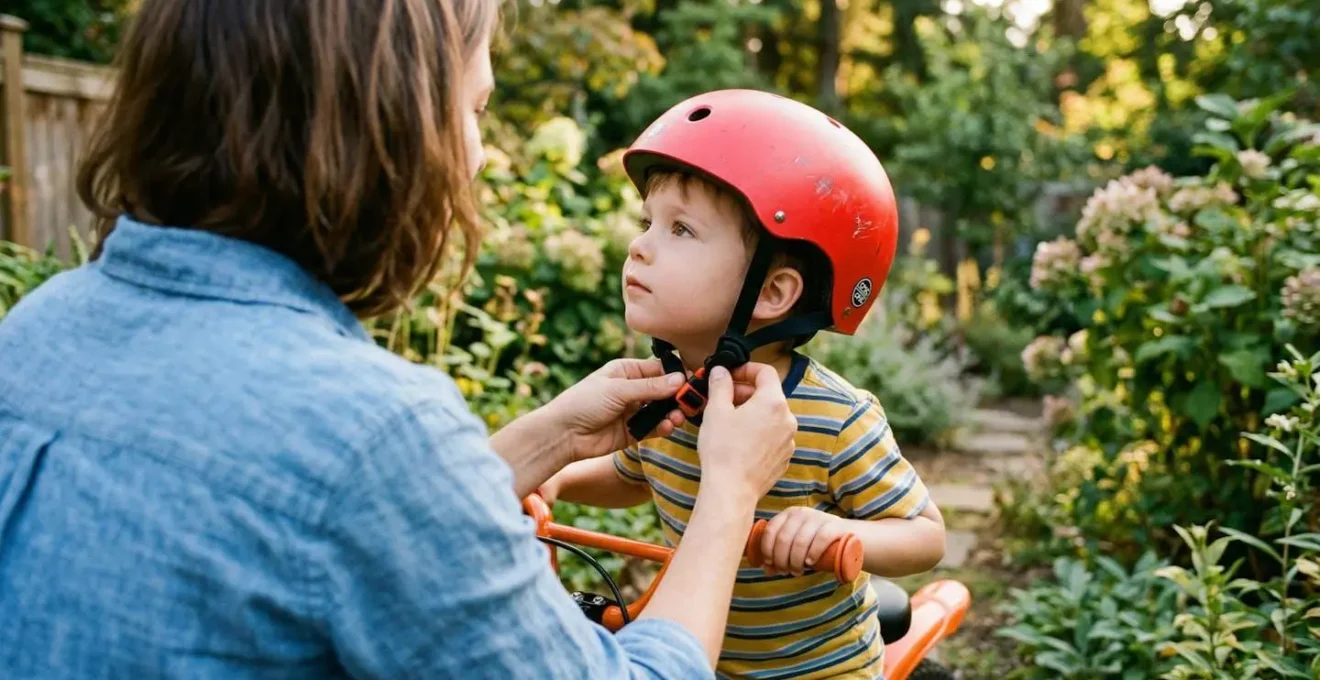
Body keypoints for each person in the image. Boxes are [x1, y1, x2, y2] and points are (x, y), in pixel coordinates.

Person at [0, 2, 800, 679]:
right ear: (387, 127)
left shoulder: (38, 330)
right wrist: (730, 492)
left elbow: (313, 531)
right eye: (477, 109)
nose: (481, 158)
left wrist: (548, 437)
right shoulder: (372, 432)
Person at [538, 90, 948, 679]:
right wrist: (552, 475)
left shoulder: (836, 419)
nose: (639, 246)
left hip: (820, 671)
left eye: (680, 229)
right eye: (646, 222)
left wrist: (834, 530)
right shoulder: (668, 396)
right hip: (694, 653)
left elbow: (925, 536)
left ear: (771, 293)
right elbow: (634, 476)